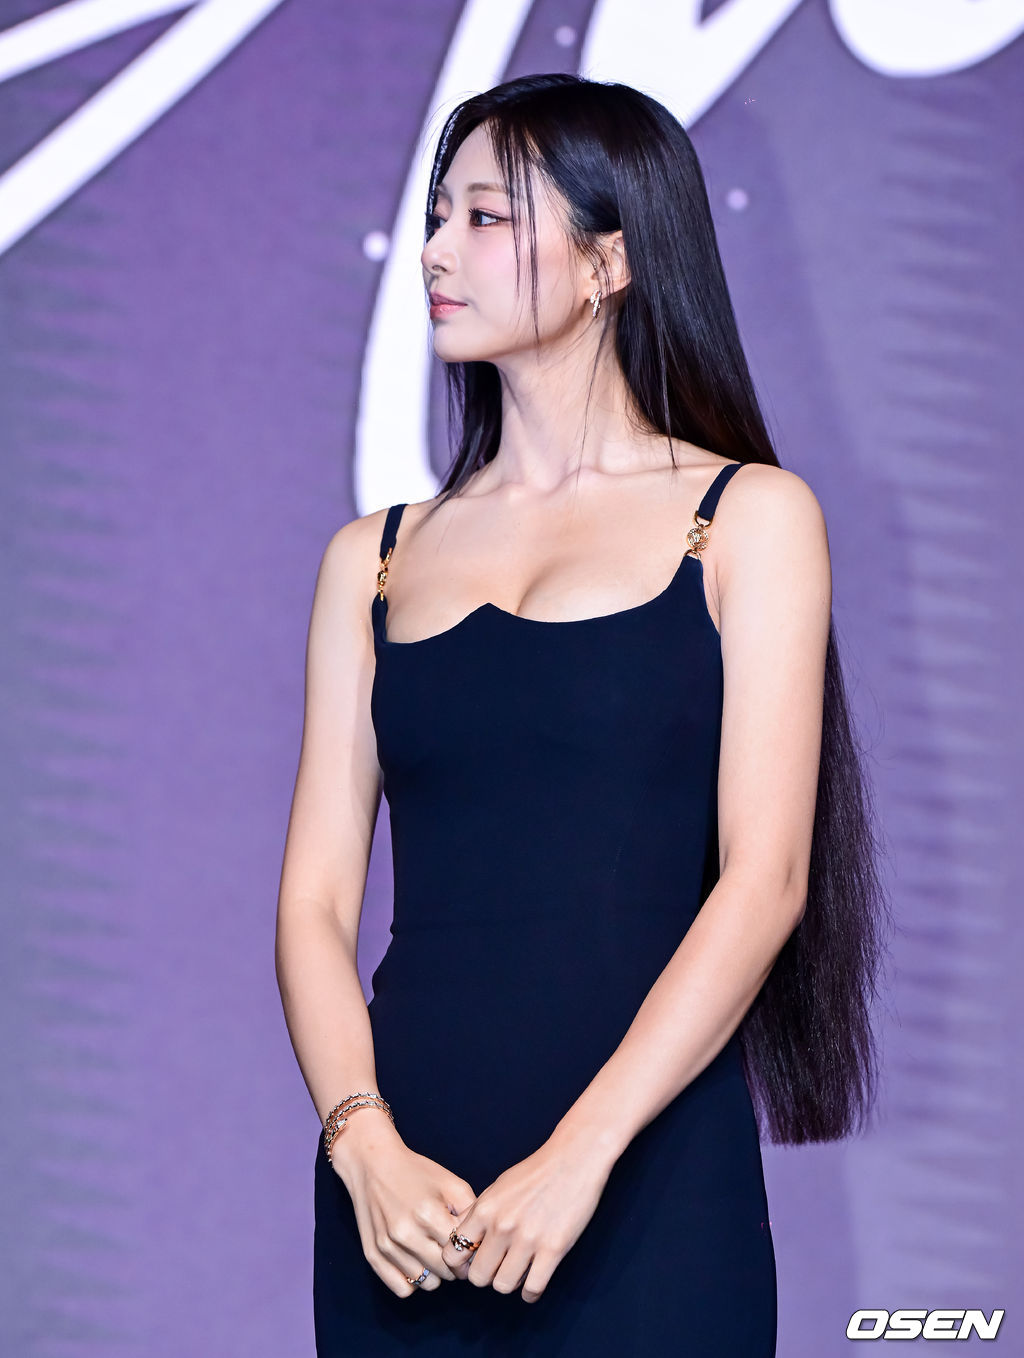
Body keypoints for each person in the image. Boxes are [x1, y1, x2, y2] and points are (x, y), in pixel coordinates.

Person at [276, 73, 890, 1356]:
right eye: (435, 217)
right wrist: (360, 1141)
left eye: (483, 217)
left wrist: (580, 1154)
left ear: (608, 261)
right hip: (403, 1201)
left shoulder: (750, 519)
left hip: (641, 1179)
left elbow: (766, 880)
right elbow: (316, 903)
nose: (434, 252)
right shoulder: (370, 558)